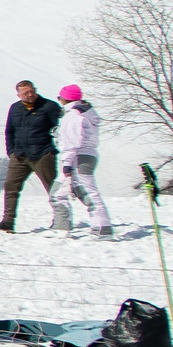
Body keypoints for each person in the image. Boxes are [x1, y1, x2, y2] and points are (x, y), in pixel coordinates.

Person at [0, 79, 65, 233]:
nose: (30, 94)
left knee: (53, 189)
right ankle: (8, 221)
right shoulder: (15, 108)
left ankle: (61, 220)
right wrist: (11, 151)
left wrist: (52, 150)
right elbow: (9, 131)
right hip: (19, 155)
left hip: (43, 154)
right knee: (10, 187)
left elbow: (62, 130)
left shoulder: (49, 107)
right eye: (26, 93)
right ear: (19, 95)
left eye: (32, 91)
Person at [53, 85, 112, 237]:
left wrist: (66, 164)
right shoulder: (86, 112)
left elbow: (70, 141)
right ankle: (61, 228)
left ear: (64, 99)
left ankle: (102, 228)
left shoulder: (73, 115)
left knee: (88, 192)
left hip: (77, 157)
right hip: (86, 155)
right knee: (57, 193)